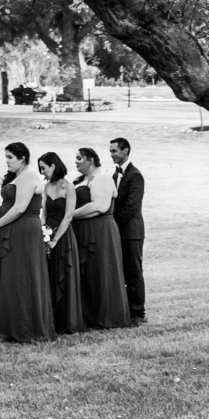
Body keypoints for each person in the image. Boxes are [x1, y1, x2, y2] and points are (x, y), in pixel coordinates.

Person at [0, 142, 53, 342]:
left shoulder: (31, 176)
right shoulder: (18, 177)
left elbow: (19, 207)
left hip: (23, 232)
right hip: (12, 230)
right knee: (10, 278)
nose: (6, 161)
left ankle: (26, 327)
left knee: (22, 277)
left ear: (22, 158)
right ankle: (10, 326)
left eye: (10, 157)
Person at [71, 146, 134, 329]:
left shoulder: (103, 178)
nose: (75, 161)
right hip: (83, 230)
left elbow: (100, 206)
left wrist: (70, 215)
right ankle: (89, 314)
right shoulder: (81, 180)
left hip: (100, 231)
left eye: (79, 158)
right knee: (88, 273)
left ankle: (106, 316)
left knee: (101, 270)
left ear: (90, 160)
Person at [38, 152, 84, 334]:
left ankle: (68, 321)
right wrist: (44, 233)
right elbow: (44, 213)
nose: (42, 172)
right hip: (48, 234)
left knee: (64, 274)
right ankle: (53, 320)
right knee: (50, 275)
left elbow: (68, 216)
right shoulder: (46, 186)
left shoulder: (68, 186)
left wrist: (56, 239)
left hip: (64, 236)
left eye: (44, 168)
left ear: (53, 166)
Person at [110, 136, 147, 323]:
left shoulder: (135, 176)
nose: (111, 155)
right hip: (118, 231)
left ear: (125, 151)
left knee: (133, 272)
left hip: (131, 232)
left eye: (114, 151)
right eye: (110, 151)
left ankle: (138, 313)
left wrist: (113, 223)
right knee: (122, 271)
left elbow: (132, 207)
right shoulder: (115, 175)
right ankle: (125, 309)